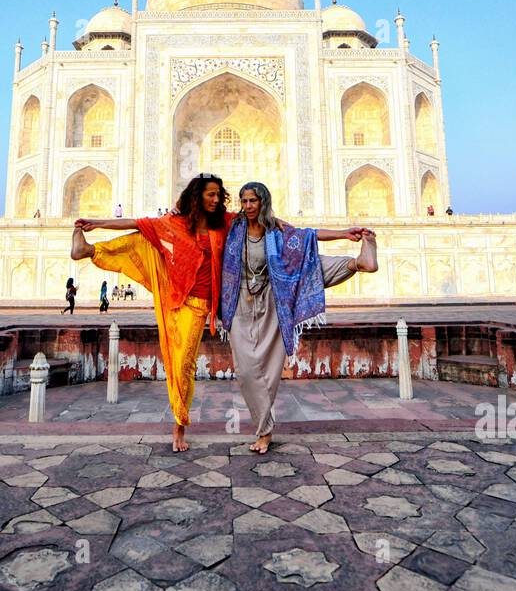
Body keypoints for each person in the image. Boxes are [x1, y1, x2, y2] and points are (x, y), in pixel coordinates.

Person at [72, 173, 231, 452]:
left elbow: (257, 219)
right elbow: (137, 223)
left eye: (219, 195)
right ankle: (89, 250)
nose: (216, 200)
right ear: (197, 197)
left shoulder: (225, 225)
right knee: (142, 240)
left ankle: (179, 423)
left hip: (197, 306)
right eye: (211, 194)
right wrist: (97, 223)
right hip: (175, 296)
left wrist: (283, 224)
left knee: (182, 364)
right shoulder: (176, 224)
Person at [221, 182, 378, 455]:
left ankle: (358, 262)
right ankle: (264, 425)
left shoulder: (274, 228)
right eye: (244, 201)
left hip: (275, 296)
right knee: (246, 371)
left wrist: (344, 233)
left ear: (263, 202)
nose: (247, 206)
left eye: (253, 201)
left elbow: (307, 236)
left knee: (307, 267)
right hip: (239, 303)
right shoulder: (233, 227)